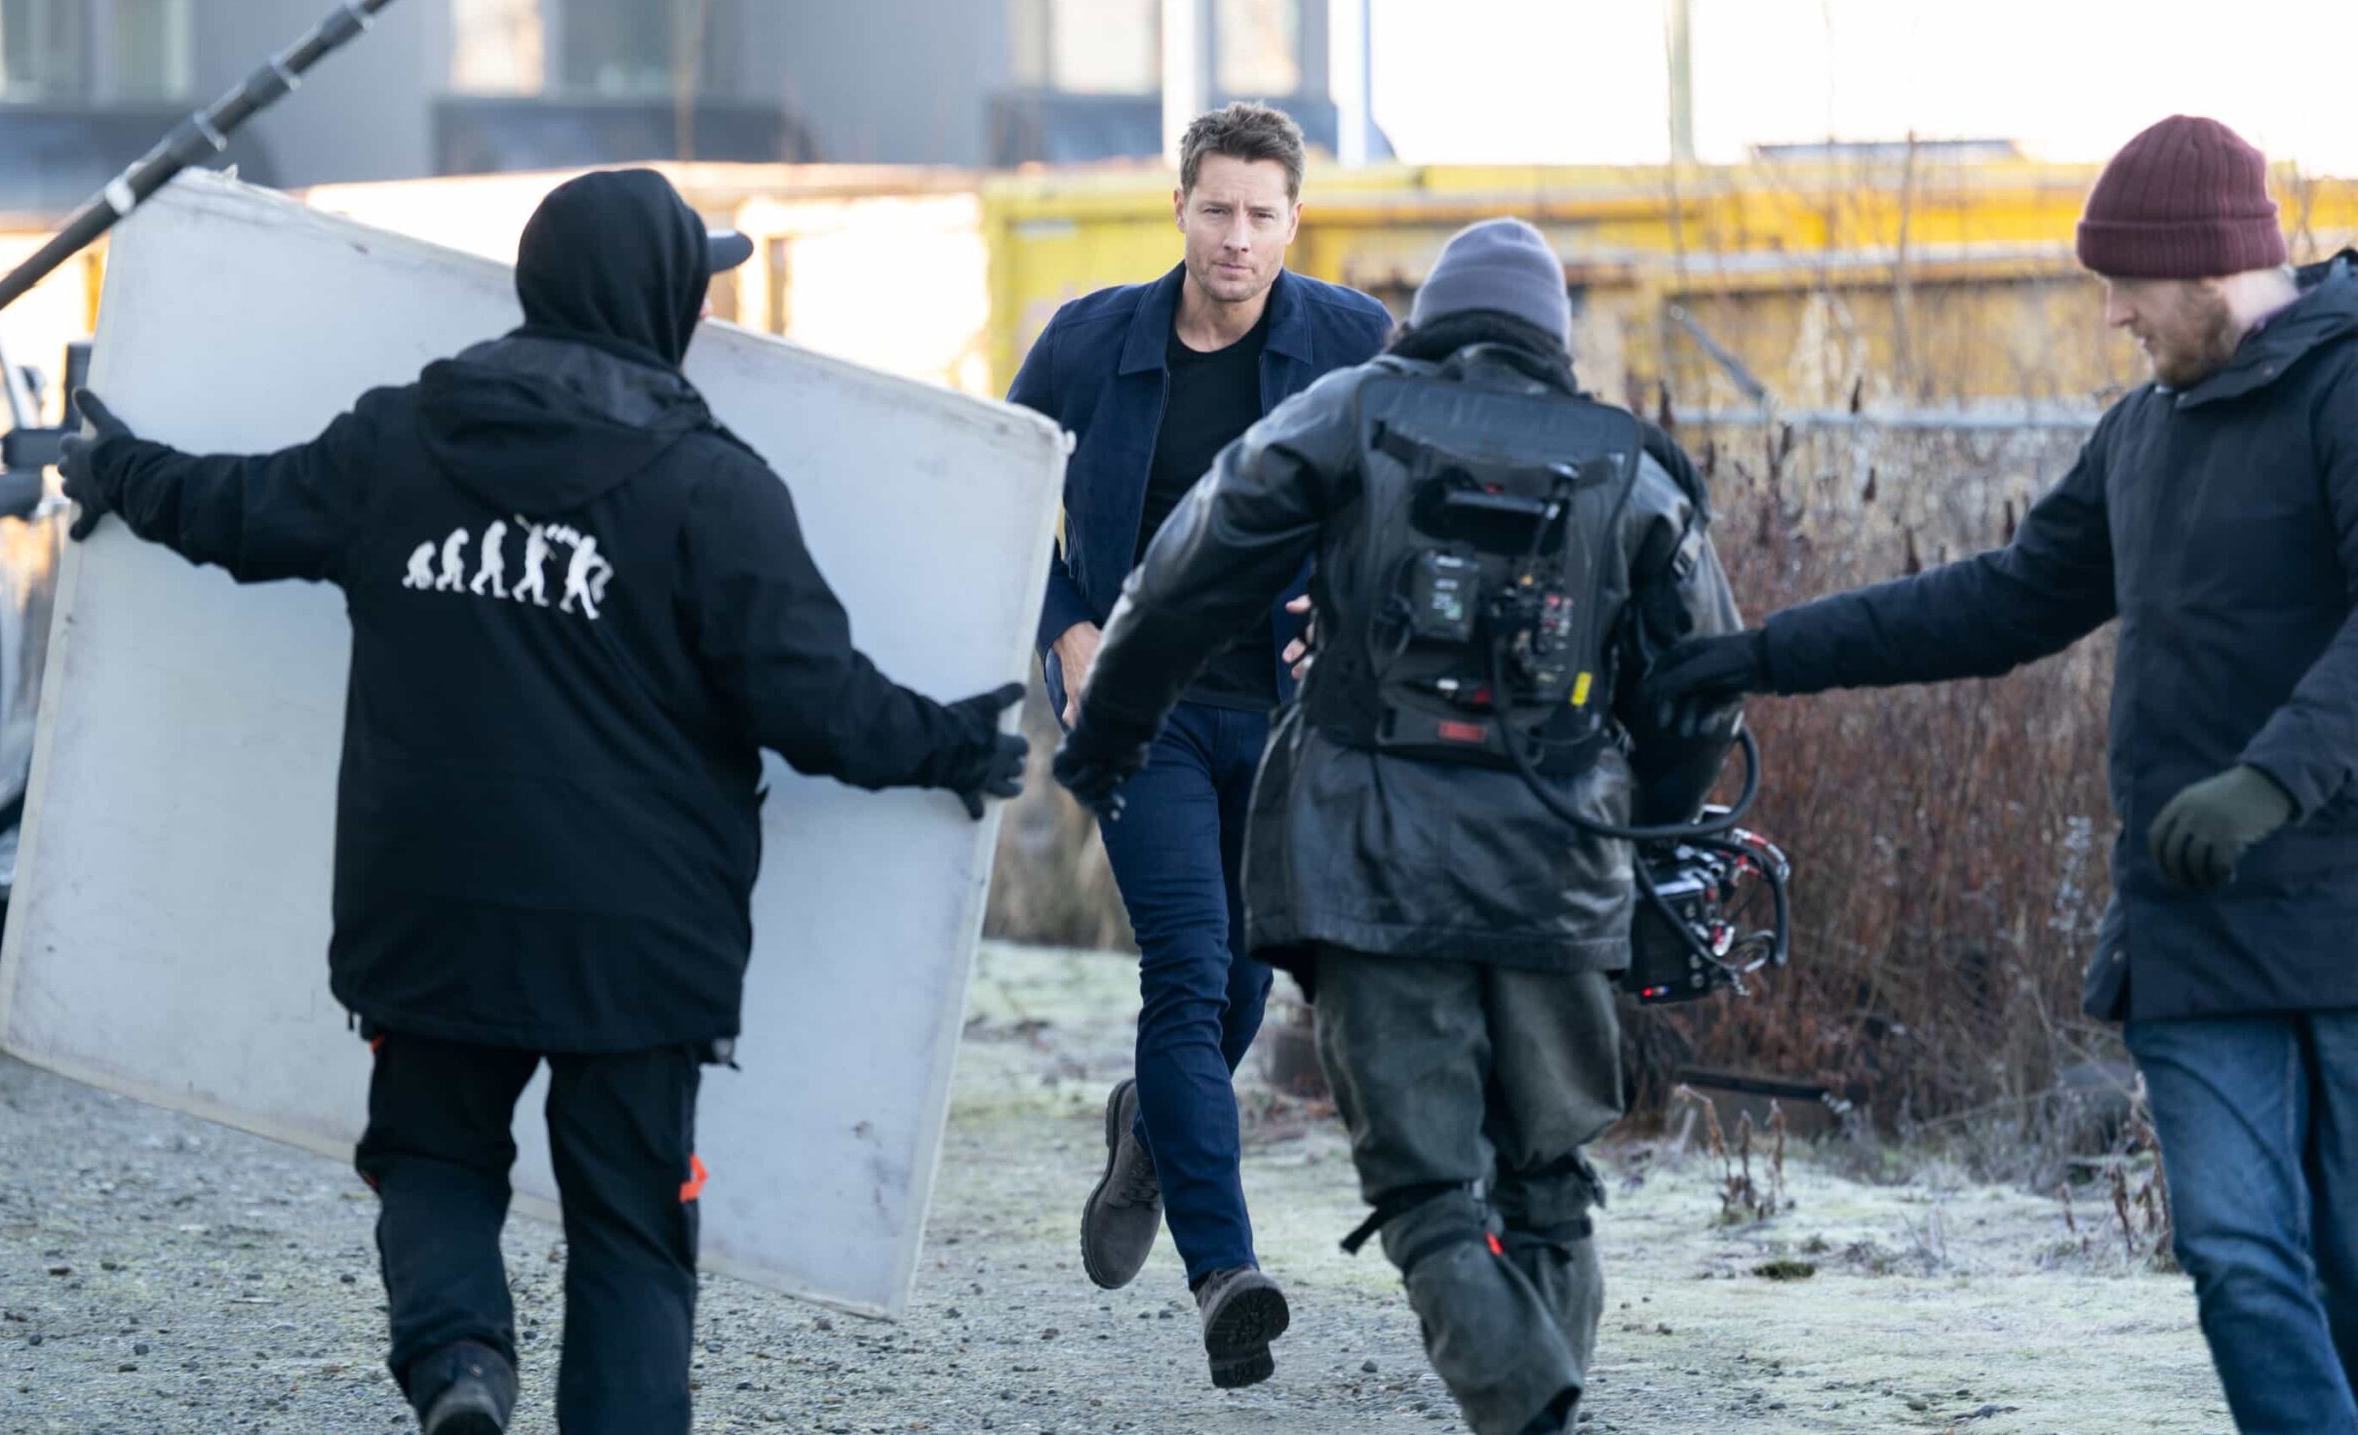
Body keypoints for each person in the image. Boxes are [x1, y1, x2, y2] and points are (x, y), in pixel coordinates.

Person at [55, 168, 1027, 1435]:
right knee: (630, 1224)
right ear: (661, 298)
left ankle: (461, 1366)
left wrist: (118, 468)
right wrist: (950, 748)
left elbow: (240, 511)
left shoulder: (400, 440)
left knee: (436, 1159)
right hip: (638, 938)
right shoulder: (712, 489)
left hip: (431, 907)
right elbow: (813, 699)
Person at [1640, 115, 2358, 1435]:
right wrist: (1762, 650)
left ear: (2208, 268)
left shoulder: (2347, 388)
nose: (2112, 322)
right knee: (2244, 1264)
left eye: (2126, 290)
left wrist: (2270, 781)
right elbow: (2005, 599)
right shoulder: (2143, 433)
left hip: (2343, 911)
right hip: (2192, 931)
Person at [1054, 218, 1744, 1434]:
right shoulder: (1629, 465)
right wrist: (1655, 836)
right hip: (1562, 876)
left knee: (1430, 1198)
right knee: (1550, 1189)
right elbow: (1701, 683)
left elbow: (1182, 574)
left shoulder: (1347, 414)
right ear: (1552, 340)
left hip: (1367, 869)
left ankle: (1530, 1414)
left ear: (1426, 323)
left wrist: (1104, 740)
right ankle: (1538, 1403)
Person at [1005, 102, 1389, 1387]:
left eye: (1261, 215)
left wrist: (1340, 621)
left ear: (1294, 219)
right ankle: (1224, 1271)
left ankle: (1148, 1136)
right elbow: (997, 498)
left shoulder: (1350, 343)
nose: (1236, 238)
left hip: (1283, 725)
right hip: (1144, 711)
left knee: (1239, 986)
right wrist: (1063, 625)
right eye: (1215, 210)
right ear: (1178, 209)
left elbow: (1396, 520)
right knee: (1186, 965)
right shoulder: (1088, 343)